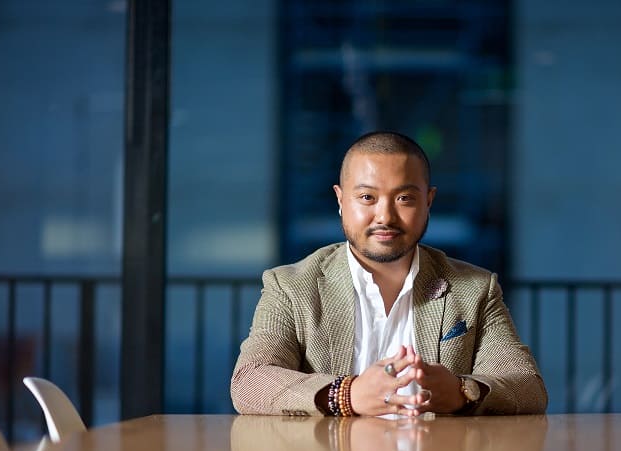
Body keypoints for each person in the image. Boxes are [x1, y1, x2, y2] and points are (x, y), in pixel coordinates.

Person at [230, 131, 547, 416]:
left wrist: (460, 392)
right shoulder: (291, 286)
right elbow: (250, 381)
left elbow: (527, 387)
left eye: (404, 198)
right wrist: (347, 395)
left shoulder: (474, 288)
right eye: (367, 197)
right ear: (341, 200)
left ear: (429, 201)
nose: (385, 216)